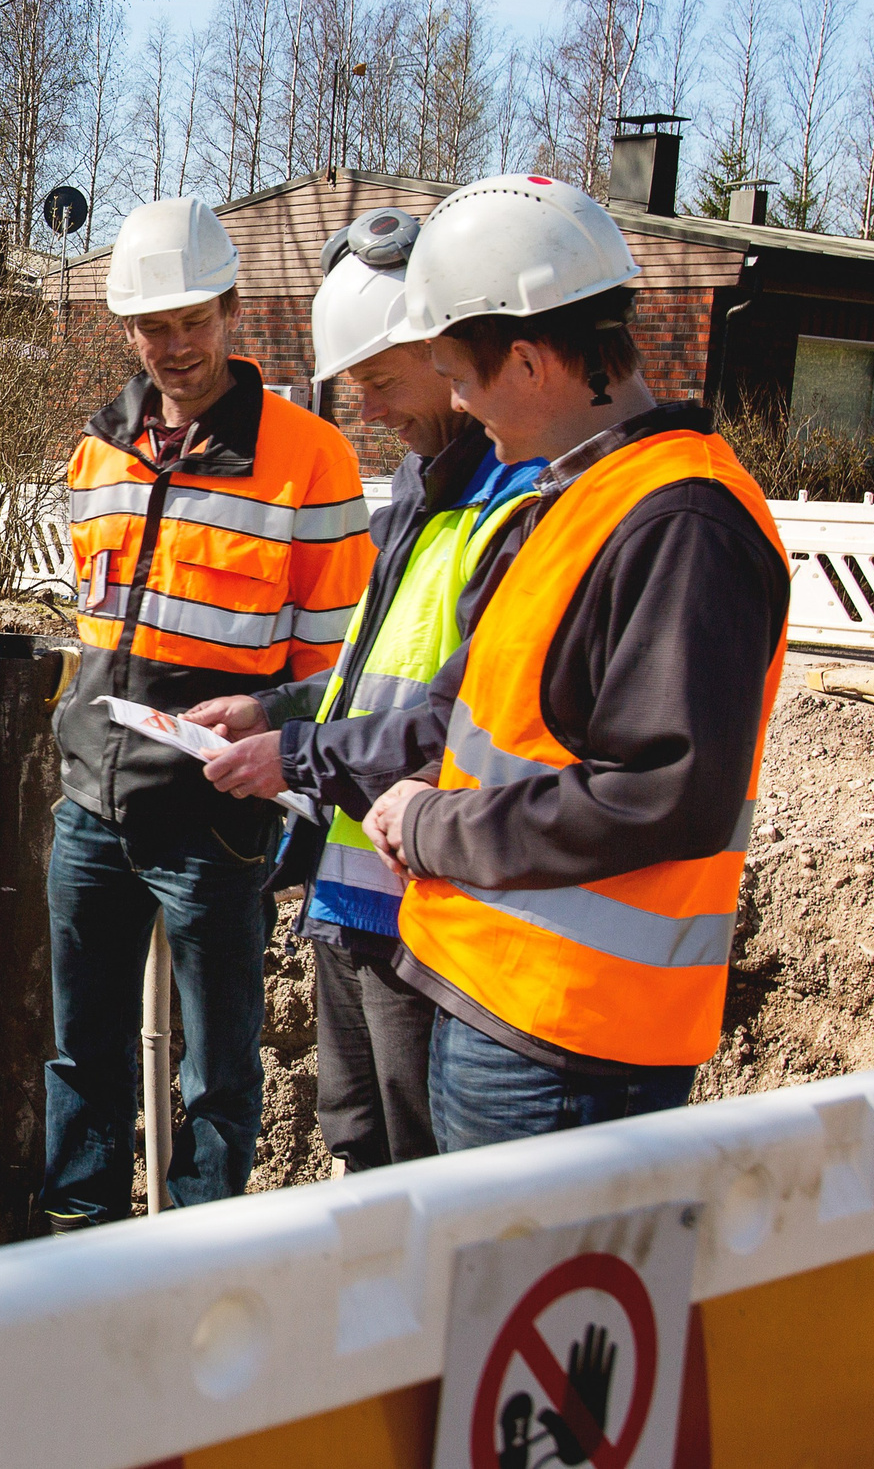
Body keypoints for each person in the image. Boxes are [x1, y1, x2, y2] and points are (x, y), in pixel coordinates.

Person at [353, 173, 791, 1151]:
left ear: (524, 361)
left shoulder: (680, 521)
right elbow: (504, 728)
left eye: (458, 378)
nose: (457, 408)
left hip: (564, 1039)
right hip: (500, 999)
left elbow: (661, 794)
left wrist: (431, 827)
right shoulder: (582, 500)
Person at [187, 209, 545, 1176]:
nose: (372, 409)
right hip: (353, 888)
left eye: (383, 381)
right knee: (359, 1147)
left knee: (413, 1166)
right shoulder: (420, 497)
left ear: (447, 351)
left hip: (427, 903)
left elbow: (457, 717)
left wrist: (292, 756)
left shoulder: (516, 507)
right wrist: (278, 710)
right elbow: (368, 679)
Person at [44, 197, 373, 1224]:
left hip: (213, 815)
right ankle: (73, 1234)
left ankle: (196, 1254)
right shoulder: (96, 453)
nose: (173, 346)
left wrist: (283, 761)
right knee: (74, 1050)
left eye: (192, 319)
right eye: (153, 326)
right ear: (126, 332)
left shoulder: (308, 457)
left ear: (229, 311)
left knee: (216, 1067)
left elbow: (341, 658)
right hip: (92, 805)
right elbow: (97, 629)